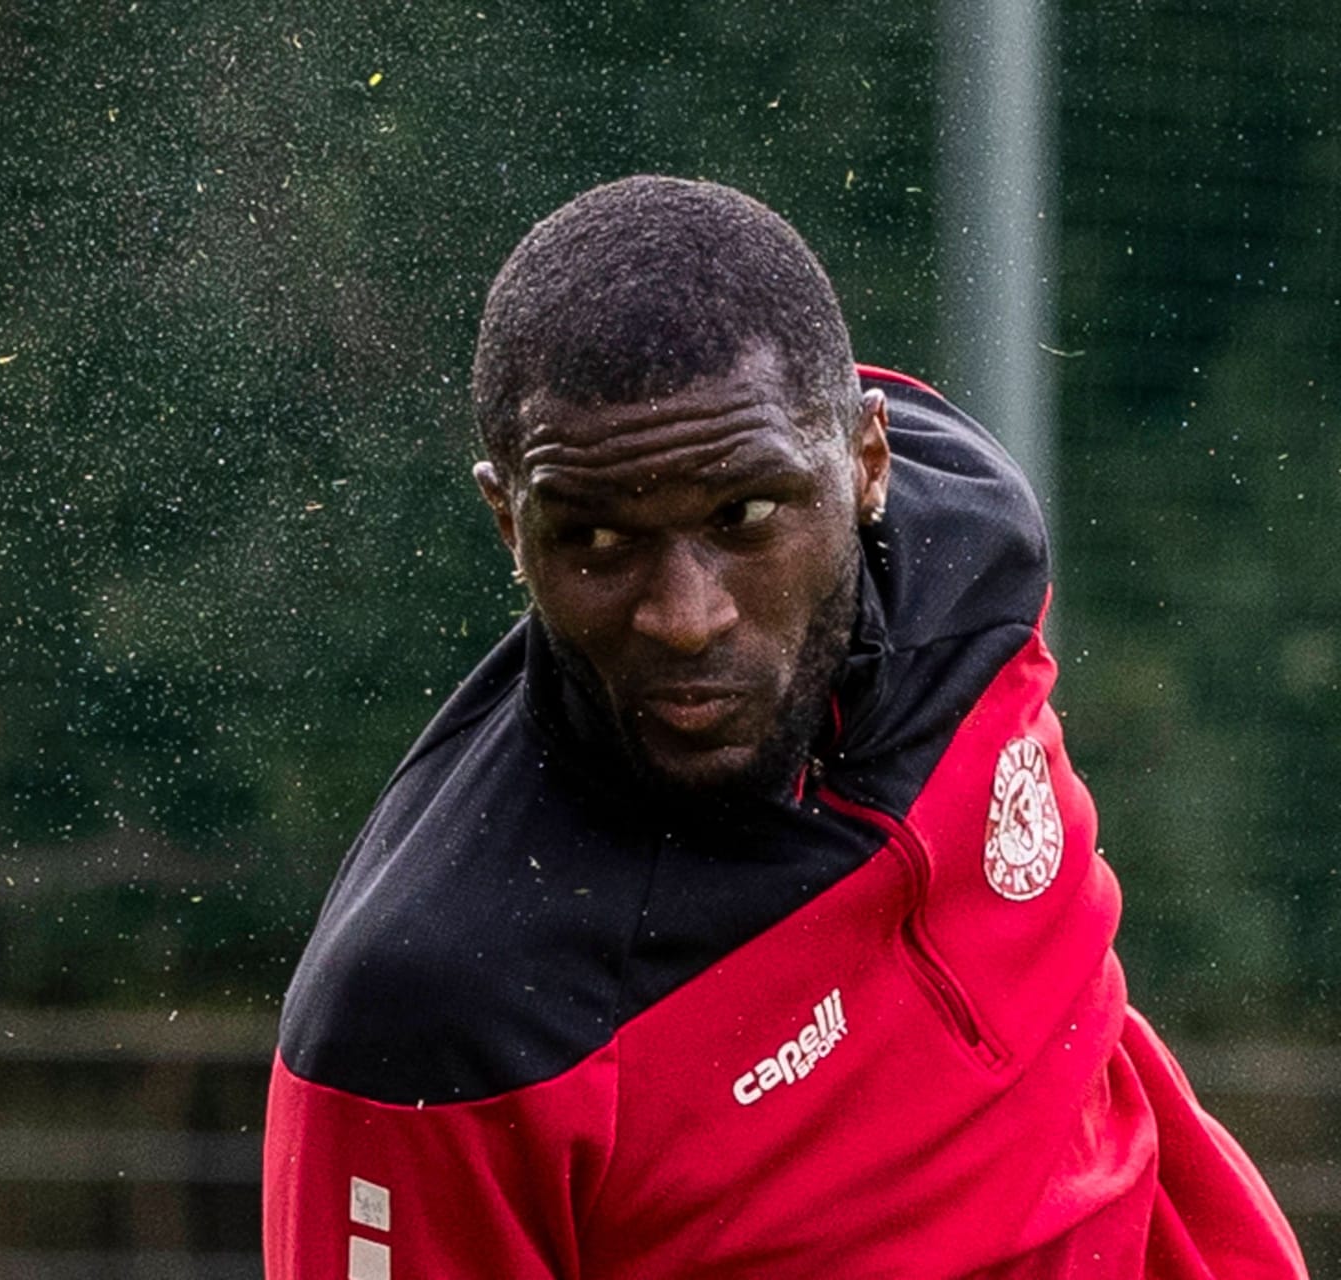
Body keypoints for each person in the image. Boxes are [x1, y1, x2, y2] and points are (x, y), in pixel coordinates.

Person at [261, 175, 1306, 1278]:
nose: (684, 615)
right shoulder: (438, 1018)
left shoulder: (974, 555)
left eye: (745, 515)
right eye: (598, 540)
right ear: (505, 518)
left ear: (868, 461)